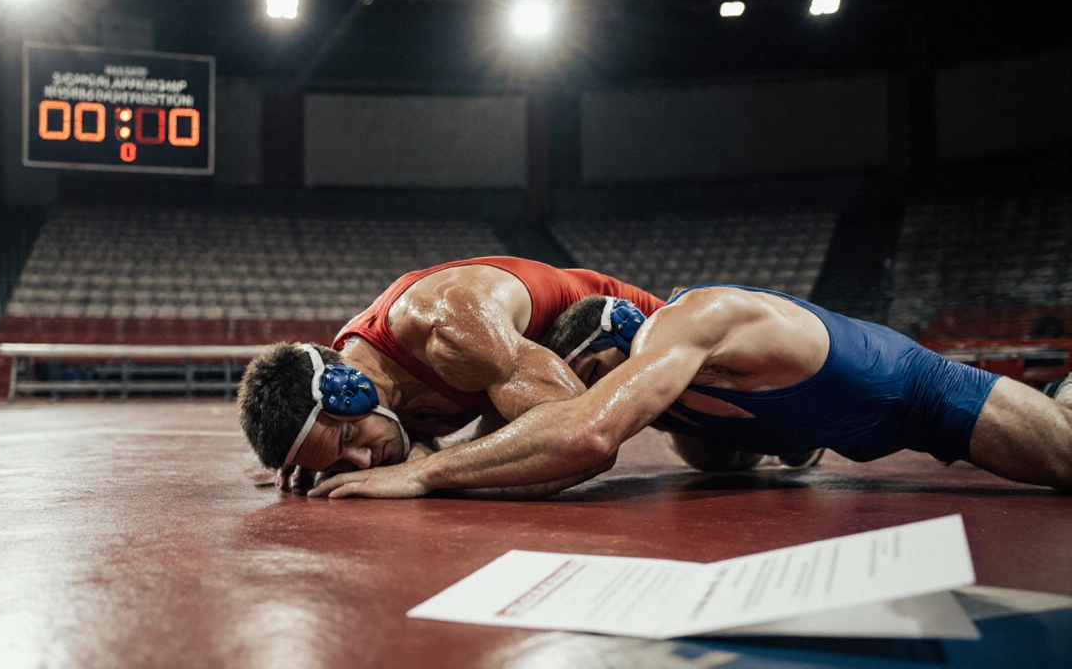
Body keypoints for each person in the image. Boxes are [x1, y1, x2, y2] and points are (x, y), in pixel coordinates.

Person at [309, 285, 1072, 498]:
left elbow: (582, 435)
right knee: (715, 458)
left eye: (596, 380)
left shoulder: (688, 326)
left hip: (920, 392)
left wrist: (424, 472)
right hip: (833, 423)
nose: (589, 396)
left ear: (621, 348)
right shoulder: (664, 385)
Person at [238, 257, 664, 494]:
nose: (365, 462)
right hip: (560, 370)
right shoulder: (363, 374)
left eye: (350, 441)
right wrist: (321, 456)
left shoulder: (447, 325)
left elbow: (586, 439)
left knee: (722, 451)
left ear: (348, 388)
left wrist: (426, 472)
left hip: (641, 335)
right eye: (340, 461)